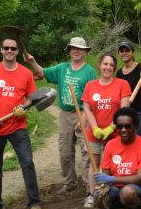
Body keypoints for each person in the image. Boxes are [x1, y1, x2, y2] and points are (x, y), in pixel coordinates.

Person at [0, 38, 43, 209]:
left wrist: (25, 107)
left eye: (13, 48)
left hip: (17, 126)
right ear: (1, 50)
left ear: (16, 51)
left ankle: (34, 203)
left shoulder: (25, 73)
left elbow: (32, 98)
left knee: (27, 163)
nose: (9, 51)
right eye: (6, 48)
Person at [27, 37, 96, 195]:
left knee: (87, 151)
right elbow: (42, 72)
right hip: (65, 114)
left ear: (85, 51)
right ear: (69, 51)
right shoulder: (62, 68)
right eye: (73, 48)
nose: (76, 51)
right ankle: (69, 183)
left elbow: (91, 97)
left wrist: (84, 117)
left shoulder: (90, 71)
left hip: (82, 113)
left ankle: (88, 184)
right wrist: (32, 61)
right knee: (65, 150)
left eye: (79, 48)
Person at [94, 107, 141, 209]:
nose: (123, 130)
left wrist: (112, 179)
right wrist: (101, 188)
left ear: (135, 126)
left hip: (139, 192)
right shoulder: (110, 145)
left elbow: (140, 178)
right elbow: (106, 174)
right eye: (120, 126)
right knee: (98, 195)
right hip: (116, 190)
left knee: (128, 191)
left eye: (127, 126)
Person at [81, 53, 131, 208]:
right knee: (94, 165)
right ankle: (92, 194)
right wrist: (95, 127)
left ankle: (110, 194)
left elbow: (124, 108)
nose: (108, 67)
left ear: (114, 67)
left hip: (115, 134)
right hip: (94, 134)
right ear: (99, 65)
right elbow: (87, 108)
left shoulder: (122, 84)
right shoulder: (91, 85)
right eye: (105, 64)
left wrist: (111, 127)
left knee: (111, 166)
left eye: (111, 65)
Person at [116, 40, 141, 137]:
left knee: (138, 139)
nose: (124, 53)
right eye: (122, 51)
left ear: (133, 52)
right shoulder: (119, 73)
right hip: (126, 112)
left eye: (127, 50)